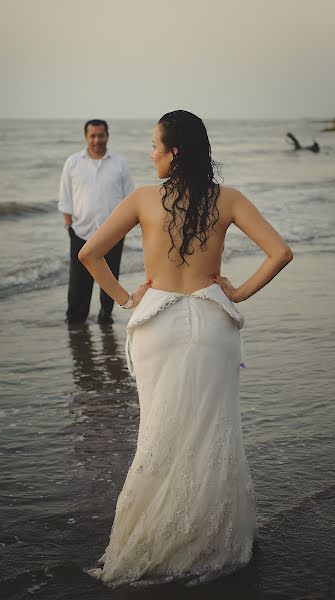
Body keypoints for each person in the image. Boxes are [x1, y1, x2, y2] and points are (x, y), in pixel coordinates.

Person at [78, 110, 293, 587]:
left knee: (158, 433)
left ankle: (150, 543)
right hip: (213, 323)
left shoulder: (141, 199)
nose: (150, 152)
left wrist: (124, 298)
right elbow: (280, 252)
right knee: (214, 431)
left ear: (174, 152)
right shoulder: (229, 199)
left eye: (155, 145)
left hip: (156, 324)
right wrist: (237, 293)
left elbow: (89, 253)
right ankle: (213, 542)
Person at [58, 119, 134, 325]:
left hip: (113, 234)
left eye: (100, 135)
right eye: (92, 136)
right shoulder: (73, 162)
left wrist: (122, 229)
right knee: (78, 284)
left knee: (110, 280)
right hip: (80, 233)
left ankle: (105, 317)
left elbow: (130, 201)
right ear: (86, 137)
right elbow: (65, 200)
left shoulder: (120, 164)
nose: (97, 140)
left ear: (107, 136)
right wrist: (70, 228)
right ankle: (75, 321)